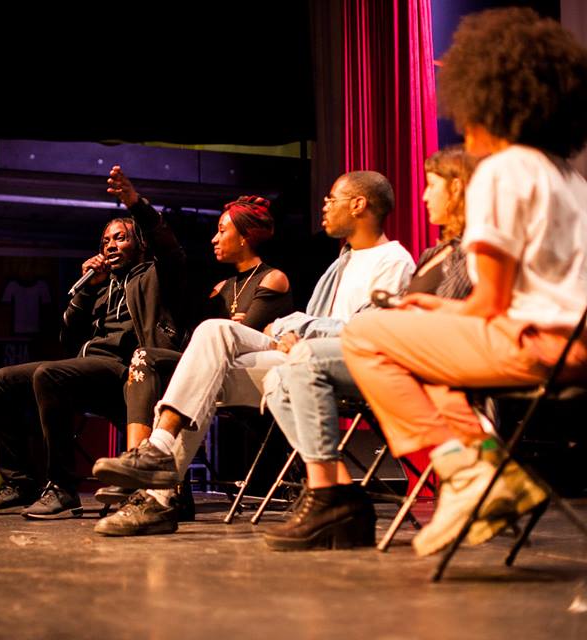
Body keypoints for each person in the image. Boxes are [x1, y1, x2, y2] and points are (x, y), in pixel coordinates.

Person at [341, 7, 587, 556]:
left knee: (366, 335)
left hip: (540, 346)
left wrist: (434, 313)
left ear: (487, 97)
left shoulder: (503, 170)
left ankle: (465, 469)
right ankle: (483, 463)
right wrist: (434, 312)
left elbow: (491, 306)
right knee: (418, 337)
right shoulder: (570, 179)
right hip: (574, 343)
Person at [93, 170, 416, 535]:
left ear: (358, 205)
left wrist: (293, 329)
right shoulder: (340, 263)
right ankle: (159, 480)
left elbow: (369, 332)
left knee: (215, 348)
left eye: (332, 199)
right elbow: (312, 322)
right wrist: (294, 331)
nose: (324, 206)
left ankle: (157, 475)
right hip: (300, 355)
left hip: (344, 365)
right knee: (213, 337)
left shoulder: (393, 261)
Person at [260, 146, 476, 550]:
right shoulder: (433, 254)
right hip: (386, 352)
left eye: (432, 185)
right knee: (276, 377)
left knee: (304, 359)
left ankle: (330, 496)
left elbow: (441, 323)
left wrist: (309, 332)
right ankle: (339, 492)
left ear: (458, 190)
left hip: (414, 360)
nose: (423, 195)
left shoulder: (467, 253)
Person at [0, 165, 193, 519]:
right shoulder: (101, 287)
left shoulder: (156, 275)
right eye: (105, 241)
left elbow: (168, 246)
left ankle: (62, 487)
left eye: (120, 238)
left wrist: (135, 203)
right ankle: (19, 483)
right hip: (91, 369)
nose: (111, 246)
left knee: (49, 374)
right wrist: (87, 291)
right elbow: (69, 339)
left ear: (139, 243)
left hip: (128, 371)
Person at [96, 193, 294, 508]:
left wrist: (231, 327)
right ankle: (143, 466)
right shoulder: (220, 288)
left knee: (166, 357)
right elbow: (199, 341)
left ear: (244, 237)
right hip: (219, 370)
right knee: (146, 359)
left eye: (222, 231)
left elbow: (239, 340)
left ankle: (152, 472)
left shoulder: (273, 279)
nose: (214, 238)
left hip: (256, 374)